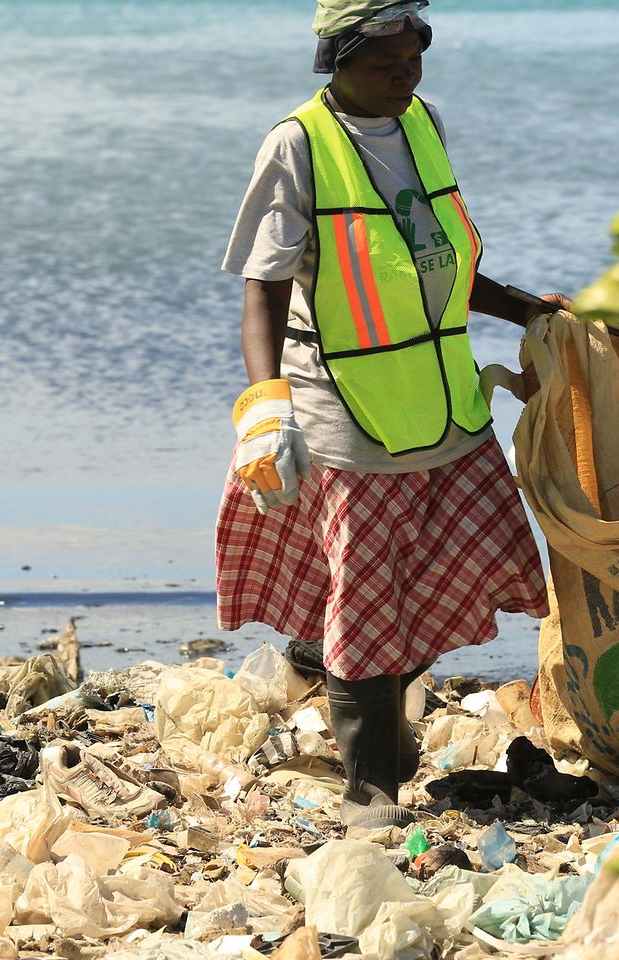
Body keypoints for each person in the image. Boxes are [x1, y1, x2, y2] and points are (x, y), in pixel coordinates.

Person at [217, 0, 569, 830]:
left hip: (445, 404)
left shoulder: (423, 124)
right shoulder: (297, 146)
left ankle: (356, 698)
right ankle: (370, 788)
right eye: (384, 64)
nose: (404, 77)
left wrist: (528, 311)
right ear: (336, 62)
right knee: (369, 604)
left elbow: (436, 264)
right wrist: (266, 411)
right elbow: (263, 293)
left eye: (413, 59)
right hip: (351, 414)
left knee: (441, 578)